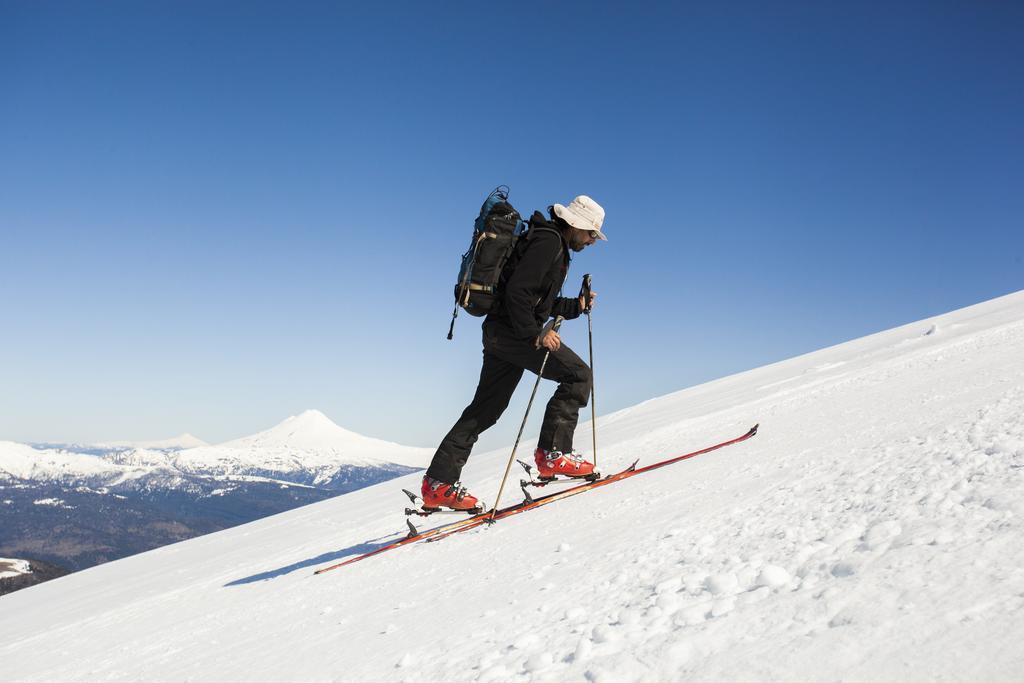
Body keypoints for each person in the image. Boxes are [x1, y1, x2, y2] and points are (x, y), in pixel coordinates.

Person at [421, 195, 608, 511]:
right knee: (577, 374)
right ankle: (553, 453)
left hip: (501, 333)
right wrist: (536, 334)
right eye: (591, 233)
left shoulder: (549, 243)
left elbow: (538, 303)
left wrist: (576, 306)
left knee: (485, 409)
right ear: (576, 225)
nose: (592, 241)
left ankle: (438, 484)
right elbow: (518, 294)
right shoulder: (549, 243)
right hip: (514, 334)